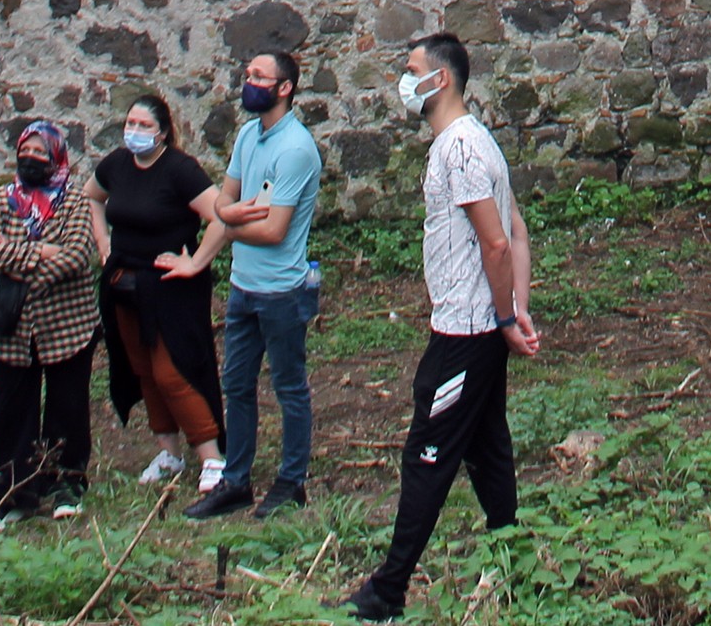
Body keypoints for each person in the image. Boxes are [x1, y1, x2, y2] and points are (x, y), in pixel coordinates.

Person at [346, 34, 536, 622]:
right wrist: (518, 308)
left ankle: (388, 590)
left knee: (427, 453)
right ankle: (515, 561)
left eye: (411, 71)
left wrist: (506, 318)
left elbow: (500, 240)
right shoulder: (474, 142)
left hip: (466, 334)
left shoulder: (459, 149)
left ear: (442, 79)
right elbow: (516, 232)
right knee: (487, 446)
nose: (403, 82)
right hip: (471, 326)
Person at [187, 48, 323, 520]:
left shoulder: (296, 148)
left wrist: (227, 219)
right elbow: (224, 200)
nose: (249, 81)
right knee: (237, 385)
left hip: (282, 291)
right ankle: (235, 481)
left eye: (259, 76)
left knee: (289, 387)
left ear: (284, 88)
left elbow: (272, 230)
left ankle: (291, 482)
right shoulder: (248, 135)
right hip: (243, 286)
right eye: (247, 73)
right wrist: (228, 214)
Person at [0, 117, 107, 530]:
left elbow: (74, 257)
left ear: (57, 157)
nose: (31, 158)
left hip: (67, 325)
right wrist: (41, 253)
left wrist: (16, 257)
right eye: (25, 151)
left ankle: (66, 484)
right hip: (14, 328)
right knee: (13, 410)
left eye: (40, 152)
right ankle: (12, 493)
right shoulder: (2, 199)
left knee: (67, 407)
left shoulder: (74, 202)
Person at [94, 94, 227, 491]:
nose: (134, 132)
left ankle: (212, 457)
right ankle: (169, 453)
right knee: (144, 370)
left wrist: (196, 261)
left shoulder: (180, 171)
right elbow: (93, 196)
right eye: (130, 124)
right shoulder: (117, 164)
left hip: (171, 288)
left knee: (174, 371)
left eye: (144, 126)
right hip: (125, 284)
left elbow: (222, 215)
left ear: (164, 132)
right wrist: (102, 242)